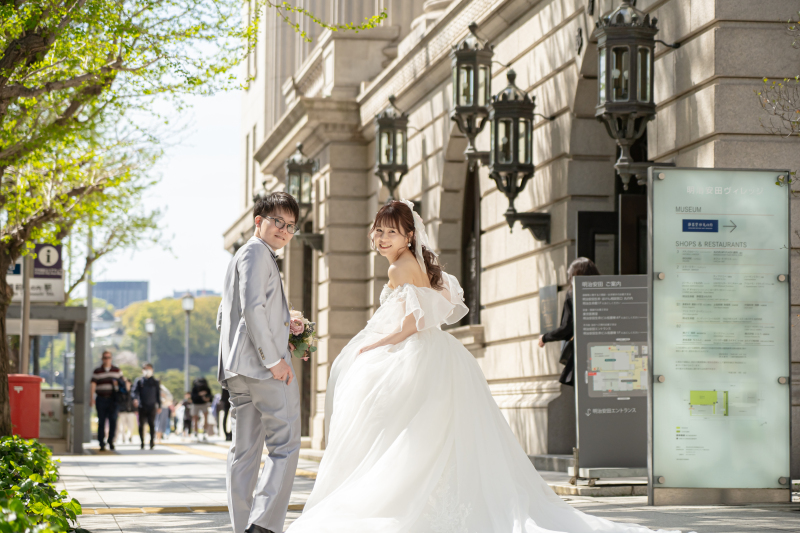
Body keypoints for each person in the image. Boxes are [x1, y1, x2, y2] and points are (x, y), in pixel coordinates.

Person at [286, 201, 684, 533]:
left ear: (409, 235)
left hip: (415, 353)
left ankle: (403, 500)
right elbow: (435, 307)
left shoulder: (398, 267)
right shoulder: (417, 263)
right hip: (438, 355)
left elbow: (412, 323)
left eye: (392, 231)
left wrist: (374, 344)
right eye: (379, 231)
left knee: (405, 431)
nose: (383, 238)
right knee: (429, 434)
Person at [217, 192, 301, 533]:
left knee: (244, 453)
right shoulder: (256, 252)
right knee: (286, 444)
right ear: (258, 221)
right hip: (262, 369)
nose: (284, 230)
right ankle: (263, 524)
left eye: (291, 226)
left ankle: (244, 528)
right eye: (277, 221)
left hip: (238, 371)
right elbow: (253, 309)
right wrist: (274, 359)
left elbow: (226, 316)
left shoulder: (243, 255)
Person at [538, 257, 601, 387]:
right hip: (606, 349)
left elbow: (567, 328)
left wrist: (545, 338)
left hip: (584, 352)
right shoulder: (605, 291)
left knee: (584, 391)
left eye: (570, 275)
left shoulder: (573, 294)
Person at [90, 351, 123, 451]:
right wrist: (91, 398)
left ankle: (111, 441)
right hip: (101, 399)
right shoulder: (97, 371)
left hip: (113, 400)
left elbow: (122, 384)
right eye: (105, 357)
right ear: (102, 359)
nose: (107, 359)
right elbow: (93, 385)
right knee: (101, 421)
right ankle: (101, 442)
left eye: (108, 357)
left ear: (111, 358)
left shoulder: (117, 370)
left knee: (113, 420)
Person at [132, 363, 161, 450]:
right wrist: (135, 399)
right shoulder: (139, 381)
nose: (147, 370)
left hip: (152, 406)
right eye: (145, 369)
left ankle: (152, 442)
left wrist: (159, 405)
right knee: (141, 425)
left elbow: (158, 394)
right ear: (142, 370)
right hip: (142, 406)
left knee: (152, 424)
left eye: (149, 368)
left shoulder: (155, 381)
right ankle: (142, 442)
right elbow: (134, 392)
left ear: (152, 370)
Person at [190, 377, 213, 441]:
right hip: (196, 404)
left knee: (205, 418)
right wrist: (199, 394)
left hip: (204, 404)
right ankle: (195, 433)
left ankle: (205, 432)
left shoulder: (207, 388)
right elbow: (192, 397)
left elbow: (210, 397)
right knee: (195, 419)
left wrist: (207, 398)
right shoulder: (195, 388)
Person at [115, 378, 136, 444]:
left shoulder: (133, 391)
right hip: (122, 411)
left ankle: (129, 436)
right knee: (122, 426)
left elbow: (135, 400)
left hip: (130, 411)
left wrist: (136, 409)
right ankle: (123, 437)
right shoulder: (121, 391)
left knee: (131, 425)